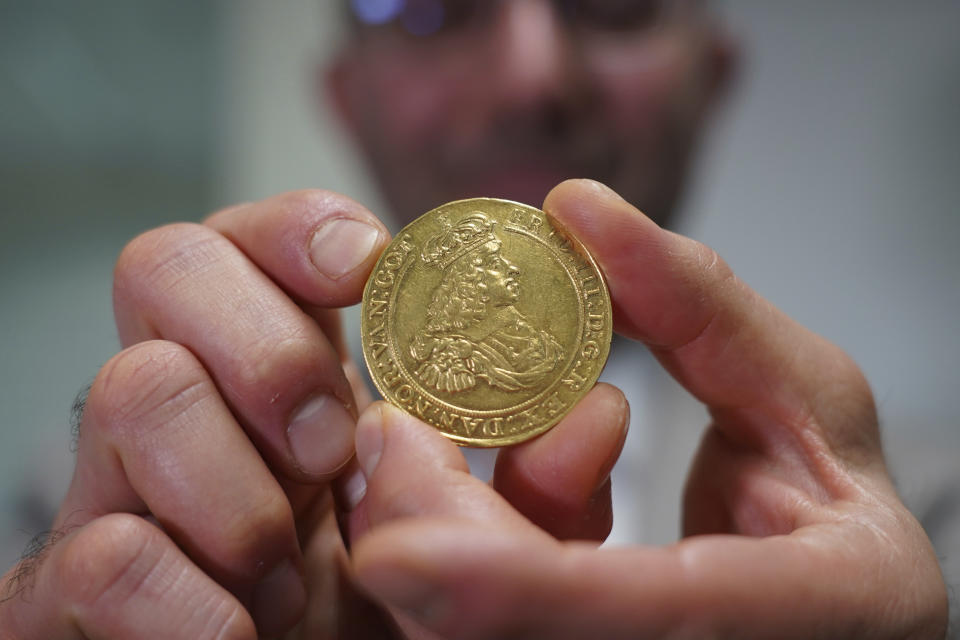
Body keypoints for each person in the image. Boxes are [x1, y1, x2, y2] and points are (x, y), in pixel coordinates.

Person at [0, 1, 949, 638]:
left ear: (715, 75)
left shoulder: (930, 516)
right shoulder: (129, 492)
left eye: (613, 0)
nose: (532, 73)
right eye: (431, 5)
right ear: (347, 96)